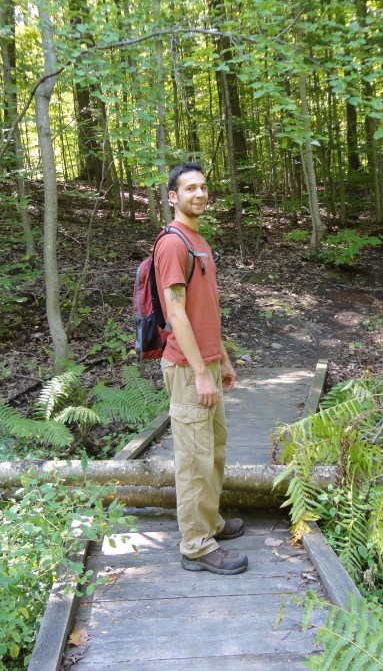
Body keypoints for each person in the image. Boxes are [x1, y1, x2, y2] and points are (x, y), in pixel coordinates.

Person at [154, 161, 247, 575]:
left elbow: (205, 311)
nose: (200, 194)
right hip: (187, 368)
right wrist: (197, 372)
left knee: (213, 454)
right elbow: (176, 313)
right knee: (193, 462)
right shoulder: (173, 244)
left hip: (207, 363)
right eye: (190, 188)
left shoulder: (199, 240)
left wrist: (221, 359)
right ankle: (196, 545)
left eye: (204, 187)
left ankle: (210, 522)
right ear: (173, 197)